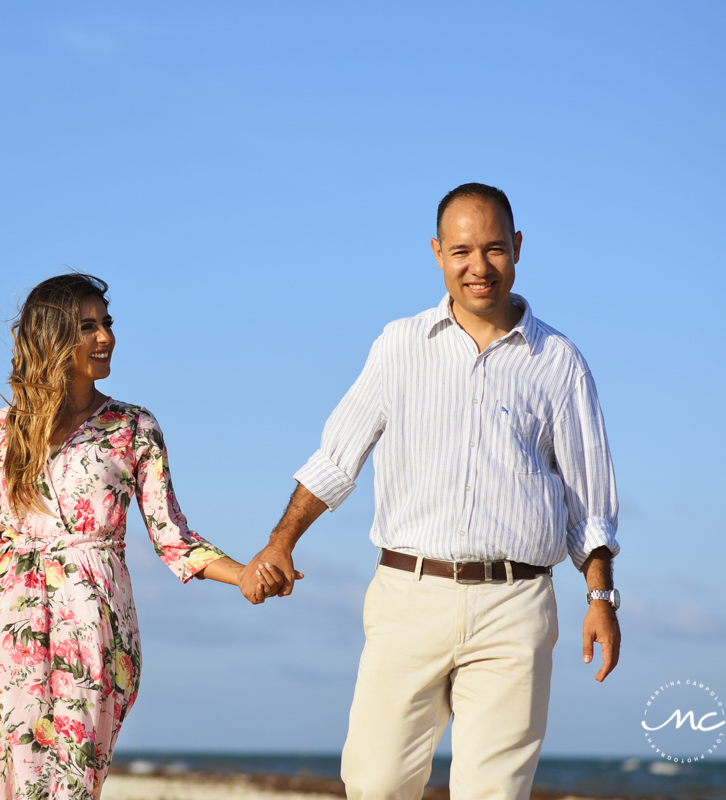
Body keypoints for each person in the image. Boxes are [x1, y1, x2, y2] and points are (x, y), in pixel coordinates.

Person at [240, 184, 621, 800]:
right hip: (407, 596)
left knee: (493, 792)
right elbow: (337, 455)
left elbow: (590, 500)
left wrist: (601, 597)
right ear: (438, 253)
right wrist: (281, 542)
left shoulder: (560, 361)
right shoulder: (398, 345)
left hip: (515, 605)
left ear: (517, 249)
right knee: (375, 782)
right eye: (463, 250)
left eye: (494, 248)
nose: (479, 266)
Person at [0, 274, 274, 800]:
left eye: (107, 324)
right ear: (50, 339)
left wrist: (244, 574)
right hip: (1, 626)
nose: (105, 337)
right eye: (87, 326)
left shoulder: (132, 427)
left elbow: (173, 536)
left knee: (72, 777)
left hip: (90, 624)